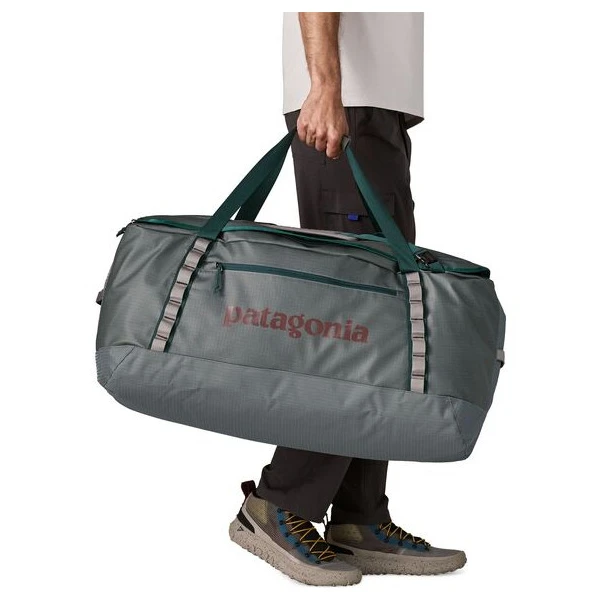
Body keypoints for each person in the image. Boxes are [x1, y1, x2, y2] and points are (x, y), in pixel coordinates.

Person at [229, 12, 465, 586]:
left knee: (383, 327)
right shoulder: (337, 95)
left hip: (375, 109)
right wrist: (326, 86)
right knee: (351, 327)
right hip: (345, 106)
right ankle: (278, 503)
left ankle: (359, 517)